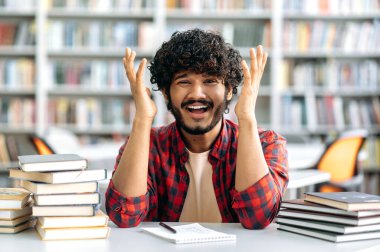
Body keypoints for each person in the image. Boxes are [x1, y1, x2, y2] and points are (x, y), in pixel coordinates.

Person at [106, 28, 288, 229]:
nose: (197, 93)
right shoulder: (146, 146)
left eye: (210, 81)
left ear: (228, 90)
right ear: (166, 93)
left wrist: (247, 118)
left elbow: (258, 218)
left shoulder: (267, 144)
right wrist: (142, 118)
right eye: (184, 82)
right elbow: (124, 216)